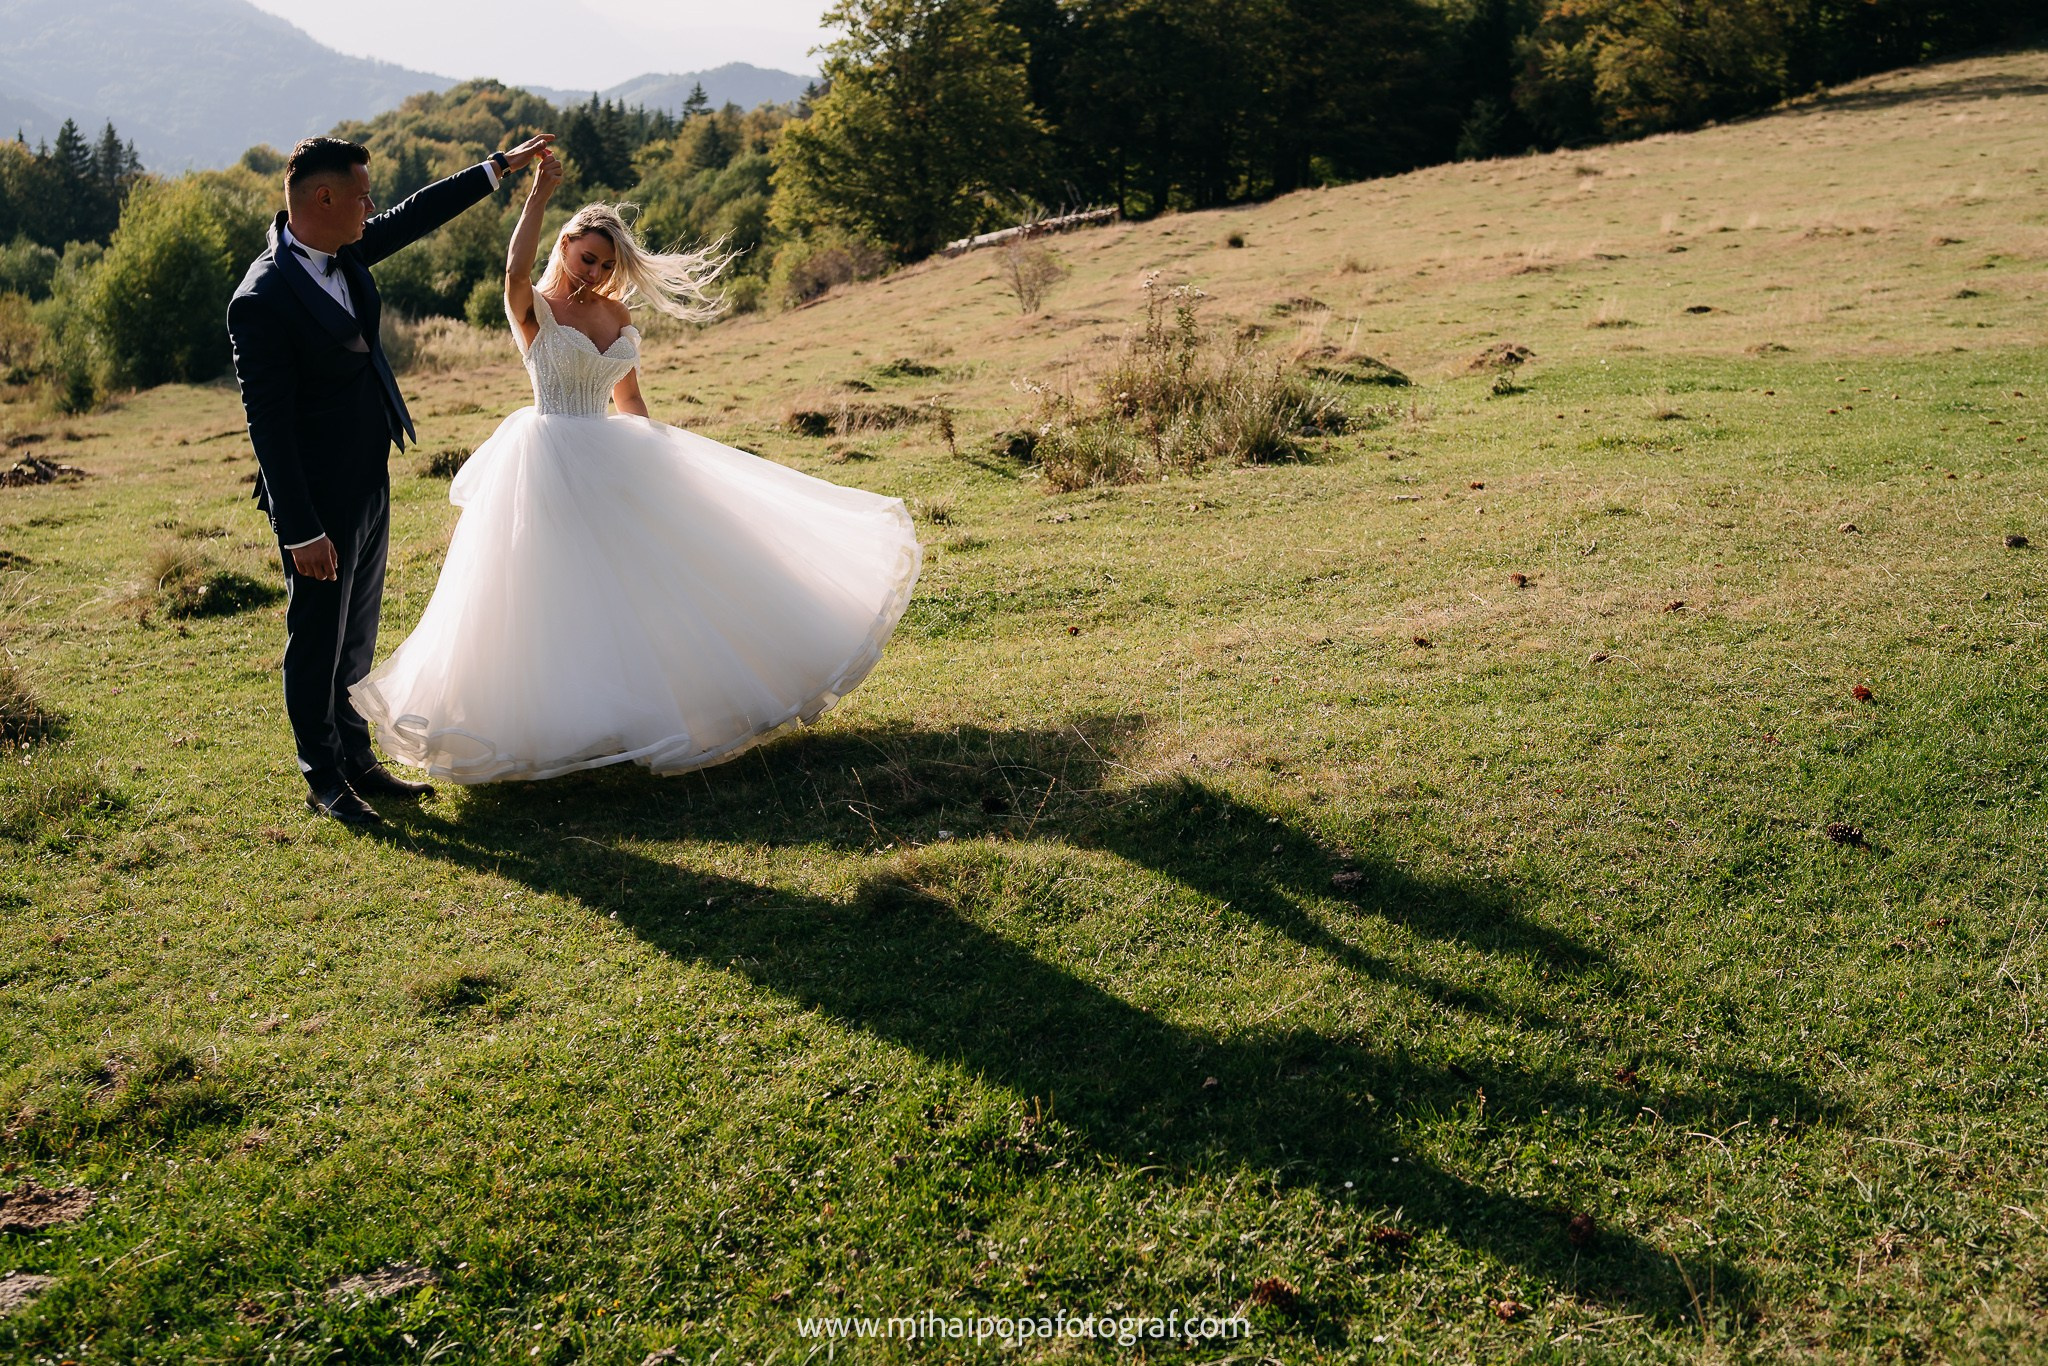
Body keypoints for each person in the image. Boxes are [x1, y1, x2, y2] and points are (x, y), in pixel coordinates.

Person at [347, 148, 921, 785]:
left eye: (606, 263)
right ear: (565, 246)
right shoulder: (531, 306)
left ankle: (647, 714)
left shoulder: (616, 314)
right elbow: (513, 268)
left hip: (613, 456)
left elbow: (630, 398)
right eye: (587, 256)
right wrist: (537, 194)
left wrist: (660, 461)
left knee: (643, 586)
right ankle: (555, 730)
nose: (595, 271)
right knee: (550, 594)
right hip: (545, 461)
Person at [227, 132, 554, 827]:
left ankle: (357, 756)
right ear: (324, 197)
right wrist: (301, 528)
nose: (371, 206)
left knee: (357, 631)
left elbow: (413, 215)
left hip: (369, 473)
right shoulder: (261, 298)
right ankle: (323, 778)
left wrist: (496, 168)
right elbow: (268, 427)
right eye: (361, 194)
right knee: (317, 635)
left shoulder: (344, 252)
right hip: (316, 497)